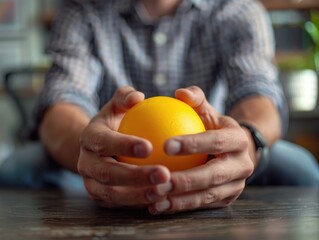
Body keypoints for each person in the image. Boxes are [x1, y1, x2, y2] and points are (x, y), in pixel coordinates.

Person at [1, 0, 319, 214]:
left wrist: (245, 142)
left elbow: (258, 93)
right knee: (18, 170)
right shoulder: (84, 11)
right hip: (107, 165)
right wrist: (92, 152)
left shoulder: (237, 10)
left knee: (300, 170)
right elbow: (62, 100)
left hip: (211, 158)